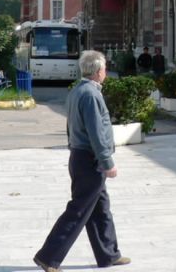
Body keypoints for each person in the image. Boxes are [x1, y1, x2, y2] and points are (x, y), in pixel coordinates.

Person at [34, 50, 131, 270]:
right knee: (78, 210)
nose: (105, 72)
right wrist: (107, 162)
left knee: (101, 209)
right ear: (98, 72)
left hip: (81, 156)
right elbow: (96, 132)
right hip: (89, 160)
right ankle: (48, 256)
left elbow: (71, 127)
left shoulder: (78, 90)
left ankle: (109, 254)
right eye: (105, 69)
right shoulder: (90, 94)